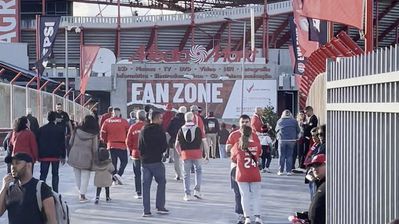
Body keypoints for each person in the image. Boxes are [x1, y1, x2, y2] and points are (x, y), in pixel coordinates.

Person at [0, 153, 57, 224]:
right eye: (12, 164)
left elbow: (52, 220)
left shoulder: (41, 188)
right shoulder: (10, 189)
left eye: (17, 163)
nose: (13, 167)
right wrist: (4, 187)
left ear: (29, 165)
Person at [226, 115, 260, 224]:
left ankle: (250, 215)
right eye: (242, 122)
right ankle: (241, 214)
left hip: (249, 167)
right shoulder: (234, 135)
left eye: (247, 121)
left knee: (250, 193)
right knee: (238, 192)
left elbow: (258, 151)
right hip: (236, 166)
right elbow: (228, 148)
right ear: (239, 123)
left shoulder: (254, 135)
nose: (244, 124)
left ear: (250, 123)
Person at [139, 111, 169, 217]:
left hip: (145, 161)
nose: (162, 120)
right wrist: (160, 153)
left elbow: (140, 145)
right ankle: (160, 206)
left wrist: (143, 156)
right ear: (155, 119)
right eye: (160, 118)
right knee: (161, 182)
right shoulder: (160, 130)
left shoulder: (143, 129)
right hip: (156, 161)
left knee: (146, 186)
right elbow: (164, 146)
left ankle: (146, 210)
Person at [175, 112, 209, 201]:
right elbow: (205, 142)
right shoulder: (198, 129)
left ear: (185, 119)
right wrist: (207, 155)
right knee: (198, 171)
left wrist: (180, 154)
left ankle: (187, 194)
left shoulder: (181, 129)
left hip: (185, 154)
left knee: (186, 174)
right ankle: (197, 191)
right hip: (197, 153)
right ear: (193, 119)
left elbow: (176, 145)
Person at [68, 115, 100, 202]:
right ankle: (82, 195)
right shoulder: (93, 135)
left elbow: (70, 142)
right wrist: (96, 158)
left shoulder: (76, 130)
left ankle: (80, 192)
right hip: (86, 157)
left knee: (77, 175)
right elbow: (94, 148)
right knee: (85, 176)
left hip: (74, 155)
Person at [37, 111, 66, 192]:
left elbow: (37, 143)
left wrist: (38, 155)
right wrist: (63, 156)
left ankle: (41, 190)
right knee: (55, 174)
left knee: (43, 175)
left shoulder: (41, 130)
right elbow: (62, 144)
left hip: (44, 156)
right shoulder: (60, 130)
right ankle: (55, 191)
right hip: (55, 156)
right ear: (55, 119)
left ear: (47, 118)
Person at [100, 107, 130, 185]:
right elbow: (128, 133)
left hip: (111, 145)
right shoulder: (124, 122)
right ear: (119, 113)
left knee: (113, 163)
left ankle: (114, 178)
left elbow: (102, 133)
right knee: (124, 161)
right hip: (122, 145)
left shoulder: (107, 121)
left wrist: (105, 141)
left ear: (112, 113)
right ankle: (118, 175)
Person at [126, 110, 146, 199]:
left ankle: (138, 192)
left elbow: (128, 141)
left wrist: (131, 150)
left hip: (136, 153)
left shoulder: (133, 127)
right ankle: (146, 191)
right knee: (146, 173)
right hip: (146, 153)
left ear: (137, 117)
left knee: (137, 173)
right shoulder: (147, 126)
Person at [275, 110, 300, 176]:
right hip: (292, 140)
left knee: (281, 155)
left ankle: (281, 171)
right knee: (289, 155)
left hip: (282, 140)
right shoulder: (294, 121)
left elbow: (276, 130)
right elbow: (298, 130)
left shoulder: (280, 121)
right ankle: (289, 171)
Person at [166, 106, 186, 180]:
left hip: (176, 141)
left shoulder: (174, 120)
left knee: (176, 159)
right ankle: (185, 174)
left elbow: (168, 130)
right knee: (185, 158)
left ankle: (178, 175)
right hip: (185, 142)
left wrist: (173, 136)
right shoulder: (186, 120)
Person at [307, 154, 326, 224]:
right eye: (313, 166)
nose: (315, 169)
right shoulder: (320, 183)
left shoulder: (331, 185)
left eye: (318, 165)